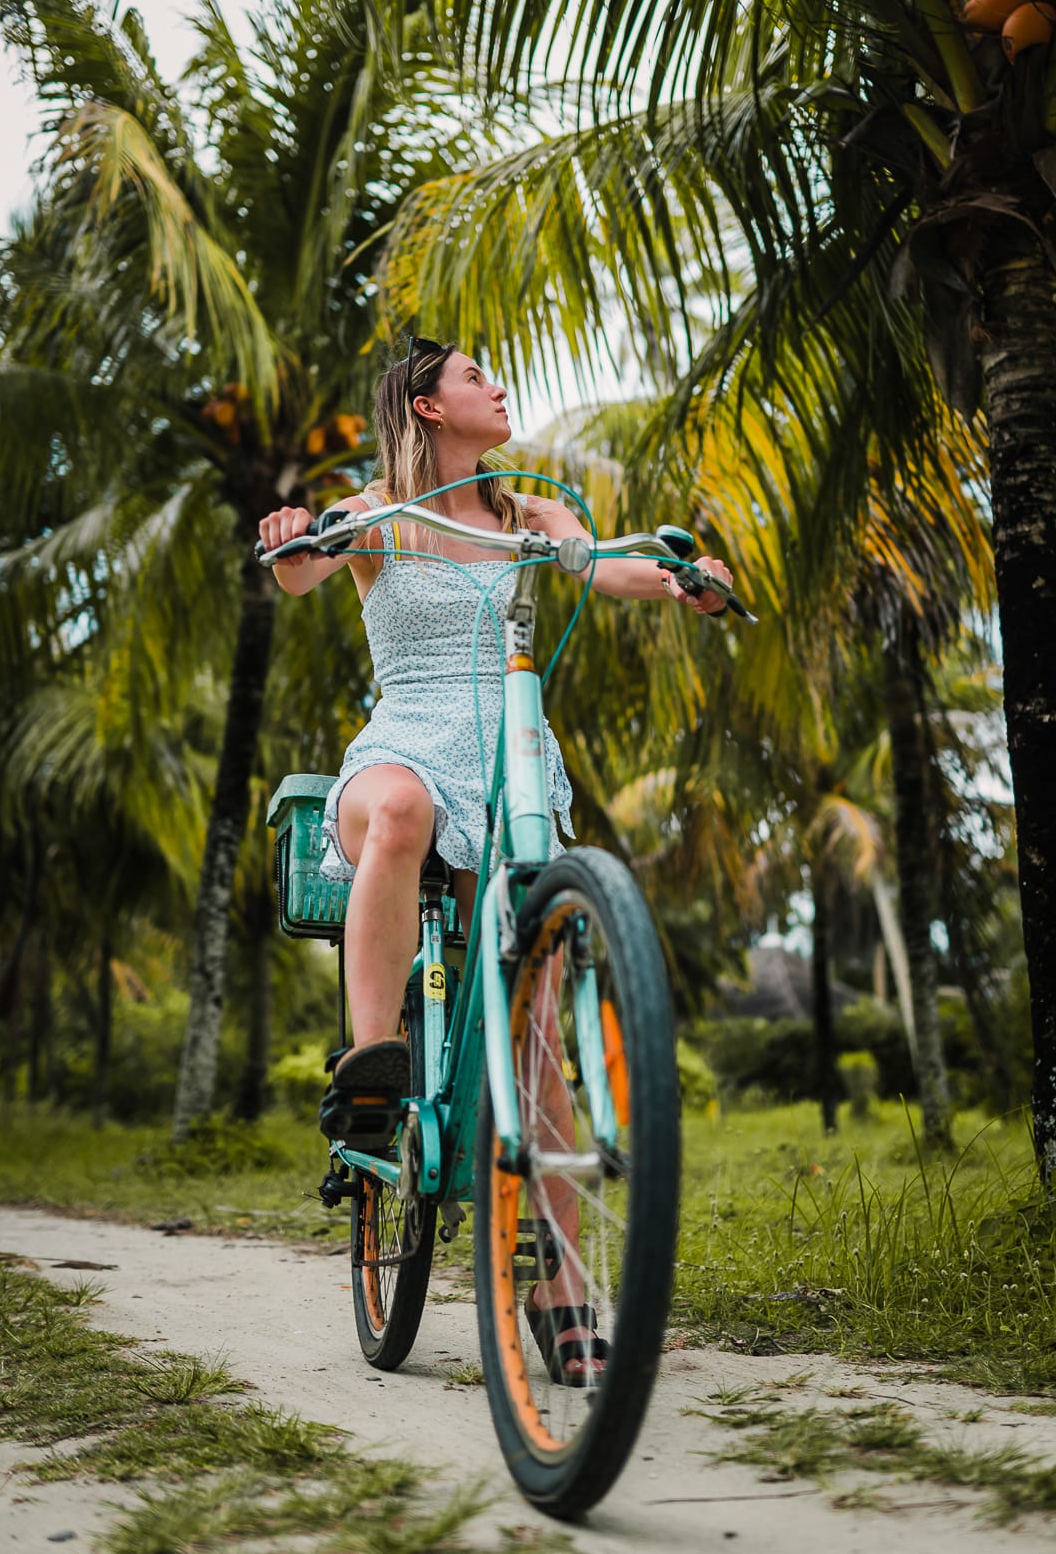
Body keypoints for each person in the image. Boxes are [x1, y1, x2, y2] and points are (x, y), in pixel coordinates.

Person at [259, 337, 732, 1379]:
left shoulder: (531, 514)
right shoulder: (379, 510)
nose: (499, 386)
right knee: (399, 815)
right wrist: (294, 535)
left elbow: (607, 566)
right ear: (427, 408)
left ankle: (560, 1291)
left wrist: (684, 581)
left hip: (511, 764)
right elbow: (302, 569)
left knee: (537, 1039)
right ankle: (371, 1070)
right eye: (477, 376)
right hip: (404, 750)